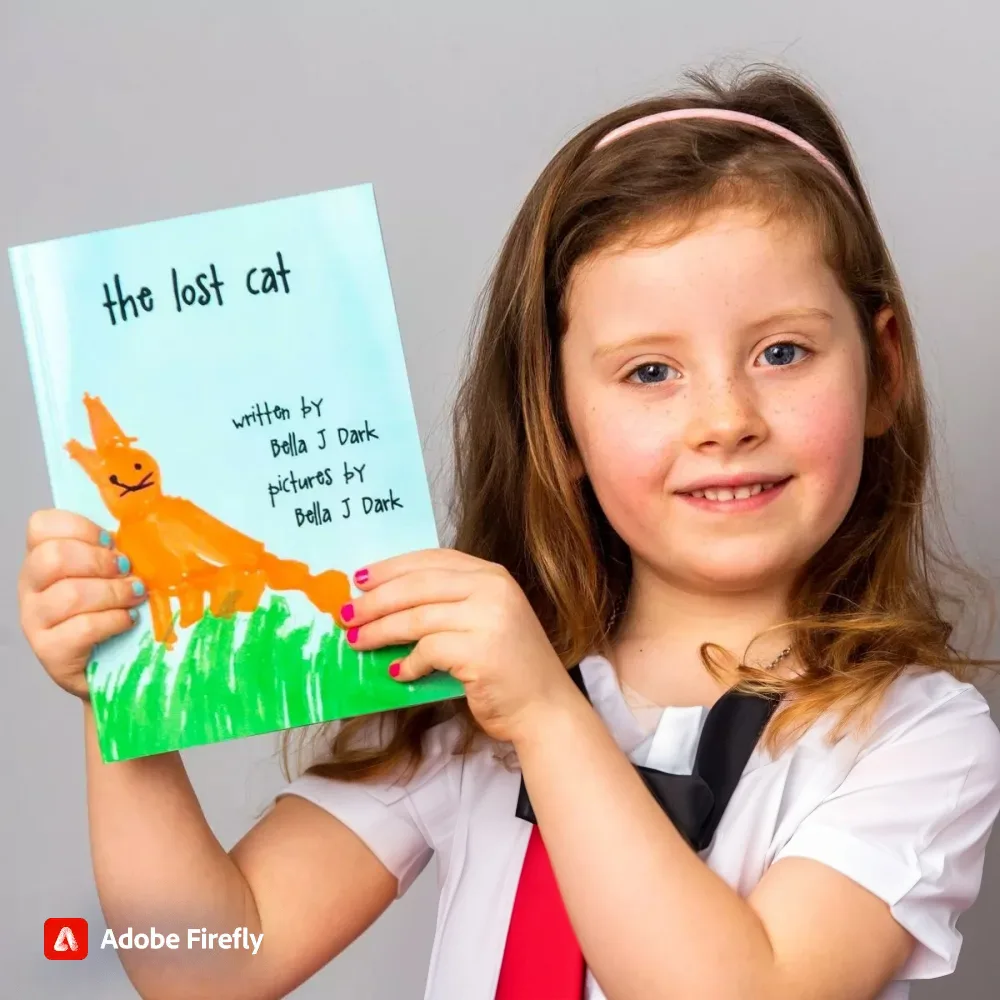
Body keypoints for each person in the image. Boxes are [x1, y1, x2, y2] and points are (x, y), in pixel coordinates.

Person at [17, 60, 1000, 1000]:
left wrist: (544, 717)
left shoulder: (916, 738)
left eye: (782, 351)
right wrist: (127, 697)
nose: (724, 417)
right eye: (649, 372)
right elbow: (205, 962)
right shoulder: (470, 697)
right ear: (553, 419)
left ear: (883, 368)